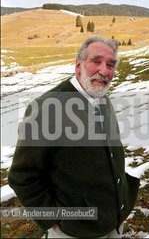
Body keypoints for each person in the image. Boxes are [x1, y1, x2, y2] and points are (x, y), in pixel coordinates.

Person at [8, 36, 140, 238]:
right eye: (96, 61)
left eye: (110, 64)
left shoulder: (101, 97)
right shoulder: (48, 108)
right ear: (78, 66)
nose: (104, 71)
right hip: (75, 230)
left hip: (112, 220)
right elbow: (22, 176)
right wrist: (53, 221)